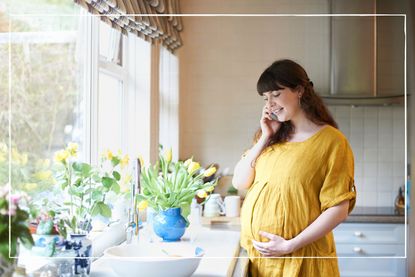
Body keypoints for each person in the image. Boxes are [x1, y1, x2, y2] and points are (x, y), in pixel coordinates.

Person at [233, 59, 356, 277]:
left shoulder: (332, 142)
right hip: (263, 263)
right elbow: (240, 182)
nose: (269, 104)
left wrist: (290, 245)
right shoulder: (270, 138)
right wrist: (265, 137)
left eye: (276, 94)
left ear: (299, 90)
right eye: (265, 97)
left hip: (302, 262)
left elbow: (339, 209)